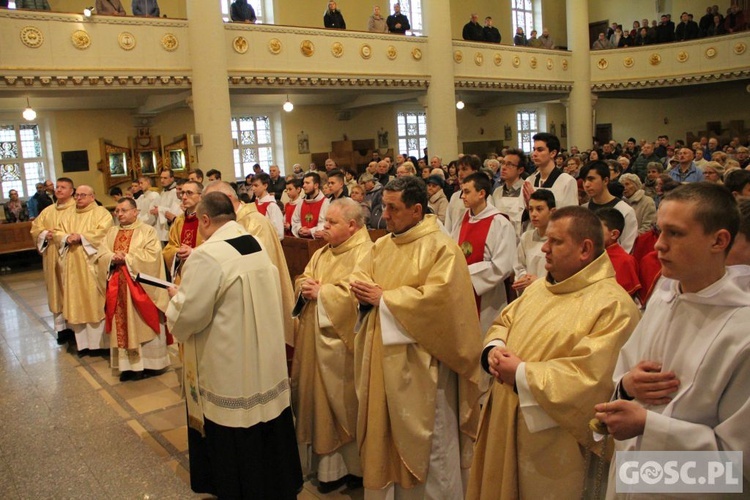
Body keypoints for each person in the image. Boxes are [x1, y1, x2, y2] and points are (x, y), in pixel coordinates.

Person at [467, 206, 640, 500]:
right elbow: (504, 322)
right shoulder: (540, 288)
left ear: (585, 249)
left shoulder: (613, 306)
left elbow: (593, 379)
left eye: (555, 242)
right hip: (505, 419)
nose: (544, 248)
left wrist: (521, 374)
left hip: (554, 441)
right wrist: (494, 350)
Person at [595, 183, 750, 497]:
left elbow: (738, 466)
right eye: (659, 232)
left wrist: (648, 426)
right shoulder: (664, 295)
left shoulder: (742, 330)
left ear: (719, 240)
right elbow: (624, 374)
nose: (658, 247)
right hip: (633, 475)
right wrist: (626, 386)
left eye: (675, 234)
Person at [350, 176, 483, 498]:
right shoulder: (381, 245)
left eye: (393, 208)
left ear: (417, 210)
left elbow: (441, 304)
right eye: (383, 206)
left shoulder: (441, 249)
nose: (385, 215)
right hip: (382, 359)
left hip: (425, 367)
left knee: (432, 443)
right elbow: (359, 277)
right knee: (385, 436)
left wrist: (387, 299)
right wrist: (364, 293)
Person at [166, 192, 303, 499]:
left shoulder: (208, 254)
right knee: (265, 420)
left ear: (204, 220)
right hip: (262, 356)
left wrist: (175, 298)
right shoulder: (252, 242)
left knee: (235, 426)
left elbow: (190, 314)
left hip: (229, 359)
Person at [291, 198, 372, 494]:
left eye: (332, 222)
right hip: (315, 343)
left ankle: (353, 469)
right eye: (325, 221)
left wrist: (323, 293)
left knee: (344, 406)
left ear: (352, 225)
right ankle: (326, 469)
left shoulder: (366, 253)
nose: (324, 227)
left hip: (342, 350)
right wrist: (305, 287)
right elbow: (303, 277)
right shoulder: (325, 251)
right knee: (316, 402)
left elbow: (359, 298)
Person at [204, 181, 296, 350]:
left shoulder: (255, 222)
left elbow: (261, 266)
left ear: (229, 199)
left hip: (255, 300)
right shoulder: (224, 222)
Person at [96, 198, 170, 382]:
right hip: (117, 286)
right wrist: (111, 257)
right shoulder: (111, 232)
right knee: (123, 325)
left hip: (140, 288)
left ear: (135, 212)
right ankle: (128, 367)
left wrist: (127, 258)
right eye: (117, 211)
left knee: (142, 323)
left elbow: (153, 256)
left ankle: (152, 364)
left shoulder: (147, 231)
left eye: (124, 210)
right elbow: (101, 254)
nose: (119, 214)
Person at [452, 172, 516, 333]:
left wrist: (465, 274)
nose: (462, 196)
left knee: (484, 335)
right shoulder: (463, 218)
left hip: (488, 295)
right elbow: (453, 249)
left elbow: (503, 265)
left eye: (467, 192)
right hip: (462, 291)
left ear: (481, 193)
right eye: (462, 192)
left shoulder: (499, 222)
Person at [55, 185, 115, 354]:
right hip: (72, 264)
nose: (79, 198)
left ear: (92, 196)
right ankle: (83, 344)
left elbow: (104, 232)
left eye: (83, 195)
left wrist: (81, 237)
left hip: (92, 264)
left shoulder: (101, 213)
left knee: (94, 300)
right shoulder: (68, 213)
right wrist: (67, 237)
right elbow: (57, 232)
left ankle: (99, 345)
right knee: (76, 301)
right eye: (77, 195)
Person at [30, 178, 76, 342]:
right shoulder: (48, 210)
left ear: (72, 191)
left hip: (72, 256)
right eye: (57, 187)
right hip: (51, 255)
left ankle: (75, 328)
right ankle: (62, 329)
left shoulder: (78, 209)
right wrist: (44, 234)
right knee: (56, 290)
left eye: (63, 187)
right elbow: (36, 228)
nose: (59, 190)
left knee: (71, 289)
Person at [581, 161, 638, 253]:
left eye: (591, 179)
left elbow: (627, 249)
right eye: (584, 180)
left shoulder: (625, 211)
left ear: (606, 180)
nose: (586, 185)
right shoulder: (582, 210)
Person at [512, 189, 555, 294]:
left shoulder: (559, 240)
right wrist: (524, 278)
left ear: (552, 211)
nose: (533, 214)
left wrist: (537, 282)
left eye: (539, 209)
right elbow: (519, 266)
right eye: (531, 209)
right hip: (528, 292)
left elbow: (563, 274)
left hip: (549, 293)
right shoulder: (526, 237)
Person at [523, 132, 578, 209]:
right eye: (534, 149)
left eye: (540, 150)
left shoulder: (567, 181)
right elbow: (520, 213)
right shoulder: (529, 181)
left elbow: (571, 215)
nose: (534, 154)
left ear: (553, 153)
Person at [162, 180, 203, 283]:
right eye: (182, 193)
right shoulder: (178, 221)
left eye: (189, 193)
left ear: (201, 196)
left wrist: (193, 252)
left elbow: (215, 245)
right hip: (183, 273)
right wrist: (177, 252)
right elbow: (169, 249)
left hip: (203, 272)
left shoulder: (207, 219)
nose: (184, 197)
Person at [597, 208, 641, 299]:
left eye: (597, 229)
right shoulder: (590, 255)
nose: (591, 233)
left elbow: (624, 299)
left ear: (614, 234)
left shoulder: (625, 261)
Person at [492, 148, 527, 241]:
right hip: (500, 240)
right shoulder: (497, 192)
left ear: (520, 170)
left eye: (509, 164)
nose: (503, 167)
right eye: (503, 163)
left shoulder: (527, 190)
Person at [292, 172, 330, 238]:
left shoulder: (325, 202)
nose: (304, 186)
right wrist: (299, 229)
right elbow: (295, 220)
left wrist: (311, 231)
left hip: (318, 242)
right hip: (302, 241)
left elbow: (324, 223)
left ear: (316, 185)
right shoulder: (301, 202)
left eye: (307, 183)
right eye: (304, 183)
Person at [150, 169, 181, 245]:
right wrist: (156, 209)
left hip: (172, 227)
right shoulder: (163, 192)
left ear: (172, 178)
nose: (162, 180)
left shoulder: (176, 192)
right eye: (161, 178)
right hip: (163, 228)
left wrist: (159, 210)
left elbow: (176, 210)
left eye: (165, 178)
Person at [251, 173, 284, 240]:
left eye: (256, 185)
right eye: (252, 186)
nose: (253, 189)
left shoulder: (272, 206)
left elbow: (279, 233)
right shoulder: (255, 204)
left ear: (265, 186)